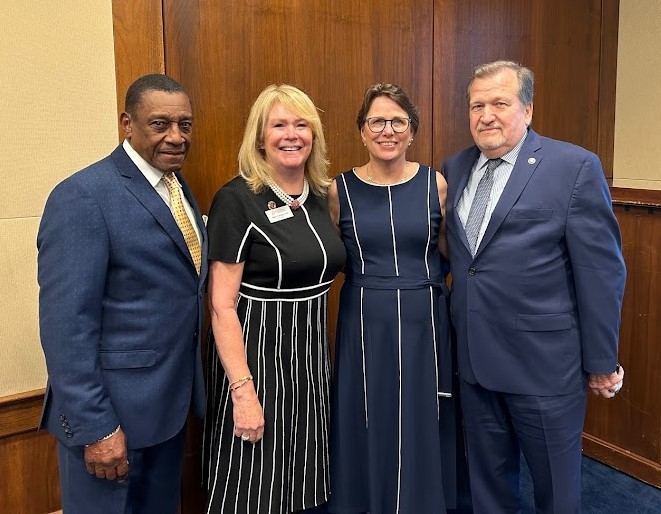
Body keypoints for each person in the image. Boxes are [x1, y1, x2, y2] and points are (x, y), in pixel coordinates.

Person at [442, 60, 626, 513]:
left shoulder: (574, 166)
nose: (486, 115)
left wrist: (602, 361)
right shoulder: (456, 166)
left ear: (527, 108)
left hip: (544, 368)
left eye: (500, 103)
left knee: (556, 491)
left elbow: (601, 273)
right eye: (477, 105)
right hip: (475, 361)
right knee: (487, 485)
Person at [37, 74, 207, 514]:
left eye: (185, 125)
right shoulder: (83, 196)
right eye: (160, 124)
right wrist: (96, 428)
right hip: (111, 423)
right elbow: (65, 326)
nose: (176, 137)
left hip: (167, 413)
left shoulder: (177, 189)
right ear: (127, 123)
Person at [203, 84, 346, 513]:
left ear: (314, 135)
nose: (291, 134)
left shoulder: (322, 196)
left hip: (311, 365)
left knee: (304, 482)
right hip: (256, 362)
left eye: (302, 124)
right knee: (253, 486)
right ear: (260, 136)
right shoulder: (236, 200)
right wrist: (242, 392)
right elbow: (221, 304)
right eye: (279, 125)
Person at [327, 83, 455, 513]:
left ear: (412, 130)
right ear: (361, 131)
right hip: (364, 320)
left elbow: (449, 253)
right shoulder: (338, 190)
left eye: (397, 121)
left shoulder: (434, 184)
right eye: (376, 121)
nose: (387, 130)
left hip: (425, 318)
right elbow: (333, 256)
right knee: (368, 416)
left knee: (422, 419)